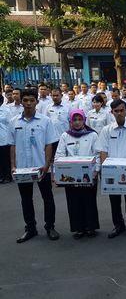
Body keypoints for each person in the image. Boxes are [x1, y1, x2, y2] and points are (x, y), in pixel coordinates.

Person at [8, 89, 59, 243]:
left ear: (36, 102)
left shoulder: (45, 121)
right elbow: (12, 146)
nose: (28, 103)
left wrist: (47, 164)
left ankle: (50, 226)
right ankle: (30, 228)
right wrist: (13, 166)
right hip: (22, 168)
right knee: (26, 199)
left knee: (47, 197)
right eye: (25, 100)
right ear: (21, 102)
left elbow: (49, 144)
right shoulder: (14, 122)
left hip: (40, 166)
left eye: (31, 100)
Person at [96, 99, 126, 238]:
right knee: (114, 200)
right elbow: (103, 150)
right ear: (112, 112)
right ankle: (118, 225)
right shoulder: (106, 130)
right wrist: (104, 168)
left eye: (121, 110)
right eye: (116, 111)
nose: (119, 113)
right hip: (112, 172)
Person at [54, 109, 100, 239]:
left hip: (88, 175)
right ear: (70, 121)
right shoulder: (65, 136)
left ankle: (91, 227)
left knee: (89, 200)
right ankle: (78, 228)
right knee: (74, 201)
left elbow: (97, 153)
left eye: (80, 119)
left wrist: (96, 169)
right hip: (70, 176)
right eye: (74, 120)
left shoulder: (92, 135)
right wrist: (57, 174)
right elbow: (59, 155)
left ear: (84, 120)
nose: (77, 122)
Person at [0, 94, 13, 183]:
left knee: (5, 159)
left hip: (4, 138)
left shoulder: (6, 110)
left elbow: (10, 124)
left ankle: (8, 176)